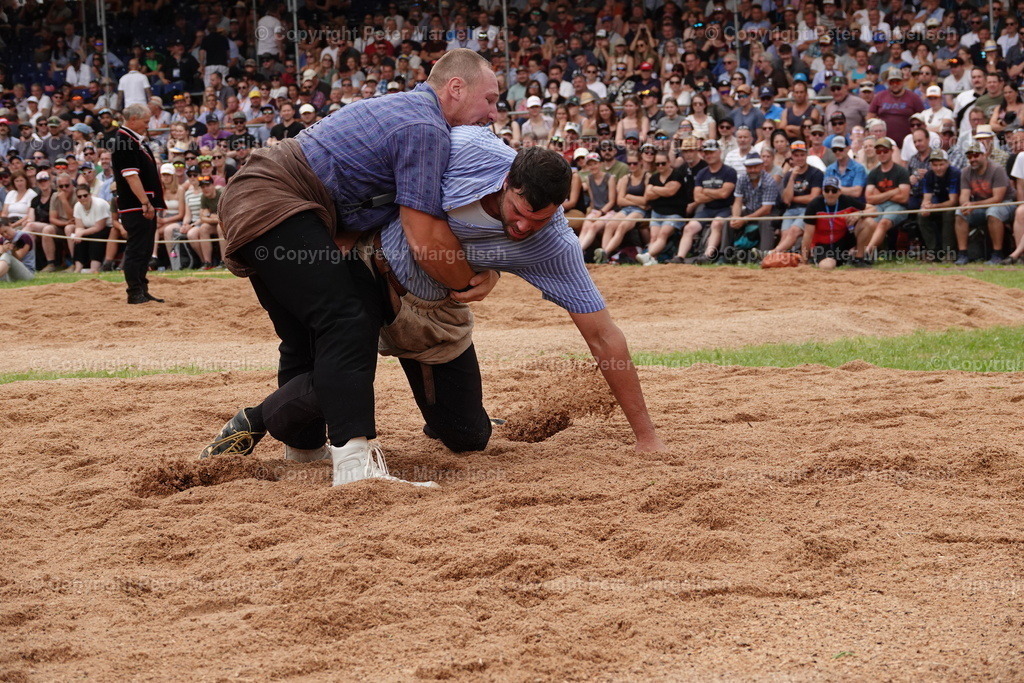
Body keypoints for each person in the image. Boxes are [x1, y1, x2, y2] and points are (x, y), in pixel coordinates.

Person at [217, 127, 665, 487]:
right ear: (506, 181)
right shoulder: (465, 149)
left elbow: (603, 334)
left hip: (437, 313)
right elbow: (389, 165)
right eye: (519, 211)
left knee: (469, 437)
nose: (523, 227)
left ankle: (438, 415)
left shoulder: (554, 246)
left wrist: (645, 436)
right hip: (372, 270)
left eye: (540, 219)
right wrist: (345, 226)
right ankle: (256, 420)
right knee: (346, 368)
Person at [199, 50, 503, 480]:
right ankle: (355, 466)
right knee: (347, 319)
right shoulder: (425, 126)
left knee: (306, 335)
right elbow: (421, 236)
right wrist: (478, 279)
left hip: (262, 199)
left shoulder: (407, 112)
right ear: (456, 88)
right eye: (489, 99)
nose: (493, 112)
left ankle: (303, 450)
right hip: (275, 199)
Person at [111, 103, 166, 303]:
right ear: (132, 120)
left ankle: (141, 287)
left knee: (144, 248)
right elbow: (131, 175)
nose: (147, 124)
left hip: (141, 204)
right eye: (145, 121)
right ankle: (134, 291)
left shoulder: (133, 140)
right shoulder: (124, 141)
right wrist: (144, 202)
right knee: (137, 249)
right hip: (136, 206)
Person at [671, 139, 736, 264]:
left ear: (719, 152)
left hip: (725, 208)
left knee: (716, 224)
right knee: (689, 228)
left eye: (712, 152)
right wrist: (716, 192)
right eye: (706, 153)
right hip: (707, 209)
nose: (709, 155)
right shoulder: (702, 173)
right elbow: (698, 198)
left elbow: (724, 194)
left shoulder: (729, 171)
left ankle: (707, 255)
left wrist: (706, 190)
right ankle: (679, 257)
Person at [954, 140, 1016, 265]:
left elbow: (997, 198)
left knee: (993, 212)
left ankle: (997, 253)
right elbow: (964, 196)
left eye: (976, 155)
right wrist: (965, 205)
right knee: (960, 213)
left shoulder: (997, 169)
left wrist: (974, 205)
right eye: (970, 156)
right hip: (981, 205)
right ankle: (963, 254)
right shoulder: (966, 172)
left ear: (984, 155)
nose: (973, 159)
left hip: (1005, 203)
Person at [860, 137, 912, 265]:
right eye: (879, 151)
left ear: (891, 151)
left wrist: (881, 193)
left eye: (885, 151)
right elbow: (869, 198)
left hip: (898, 206)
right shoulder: (873, 173)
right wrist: (893, 191)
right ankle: (858, 251)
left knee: (883, 223)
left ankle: (868, 251)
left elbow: (904, 198)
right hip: (879, 206)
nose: (882, 154)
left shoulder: (901, 171)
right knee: (866, 221)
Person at [799, 176, 869, 266]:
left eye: (834, 190)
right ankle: (833, 260)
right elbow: (808, 235)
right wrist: (804, 260)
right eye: (827, 190)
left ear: (839, 192)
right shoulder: (814, 205)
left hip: (842, 241)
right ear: (822, 191)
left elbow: (873, 210)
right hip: (822, 245)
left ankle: (858, 259)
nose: (830, 193)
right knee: (827, 266)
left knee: (869, 222)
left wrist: (859, 213)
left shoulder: (846, 200)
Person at [771, 140, 824, 256]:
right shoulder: (789, 175)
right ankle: (781, 260)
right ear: (792, 157)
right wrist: (792, 178)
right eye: (796, 155)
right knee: (785, 235)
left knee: (793, 231)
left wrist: (793, 199)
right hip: (791, 211)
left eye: (802, 155)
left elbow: (813, 198)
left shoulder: (816, 173)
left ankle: (772, 254)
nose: (799, 158)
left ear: (806, 155)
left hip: (808, 210)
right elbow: (785, 200)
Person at [637, 151, 688, 265]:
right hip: (657, 211)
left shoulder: (677, 175)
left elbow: (670, 191)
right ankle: (652, 260)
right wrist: (662, 190)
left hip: (675, 212)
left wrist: (654, 189)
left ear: (669, 162)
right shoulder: (654, 177)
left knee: (663, 234)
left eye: (663, 163)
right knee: (653, 237)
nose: (660, 166)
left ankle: (647, 255)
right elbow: (647, 195)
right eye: (657, 164)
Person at [728, 152, 780, 256]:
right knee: (728, 221)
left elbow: (766, 209)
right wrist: (735, 217)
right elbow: (737, 202)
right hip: (749, 210)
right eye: (749, 167)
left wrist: (744, 219)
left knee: (764, 222)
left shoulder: (769, 181)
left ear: (761, 166)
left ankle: (763, 254)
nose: (752, 170)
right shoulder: (742, 178)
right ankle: (725, 254)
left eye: (755, 167)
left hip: (770, 213)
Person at [919, 148, 960, 261]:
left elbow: (953, 201)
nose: (938, 168)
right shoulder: (929, 175)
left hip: (954, 206)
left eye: (941, 164)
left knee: (948, 213)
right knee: (921, 215)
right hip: (937, 204)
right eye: (935, 165)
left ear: (947, 163)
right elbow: (926, 197)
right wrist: (925, 207)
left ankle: (948, 252)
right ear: (931, 165)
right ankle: (934, 251)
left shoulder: (954, 173)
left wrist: (933, 207)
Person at [70, 184, 110, 273]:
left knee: (96, 236)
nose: (83, 198)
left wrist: (82, 233)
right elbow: (79, 226)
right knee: (78, 238)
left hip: (106, 229)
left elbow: (99, 226)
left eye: (85, 195)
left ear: (90, 194)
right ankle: (78, 268)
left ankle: (94, 268)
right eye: (79, 196)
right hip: (89, 228)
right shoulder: (77, 206)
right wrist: (78, 234)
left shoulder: (99, 204)